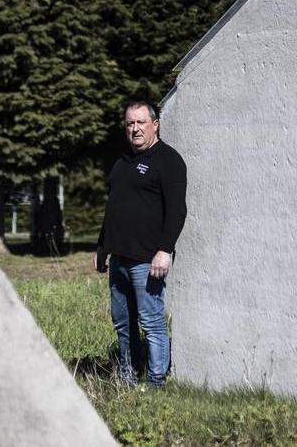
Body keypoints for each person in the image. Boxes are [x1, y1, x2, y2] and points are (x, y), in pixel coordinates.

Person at [95, 100, 187, 388]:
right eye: (130, 124)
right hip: (119, 259)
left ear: (155, 124)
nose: (135, 129)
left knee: (152, 323)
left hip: (147, 260)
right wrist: (101, 248)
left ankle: (157, 381)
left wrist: (165, 250)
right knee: (123, 323)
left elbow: (176, 211)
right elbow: (113, 208)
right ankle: (127, 376)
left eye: (140, 123)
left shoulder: (168, 160)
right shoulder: (122, 162)